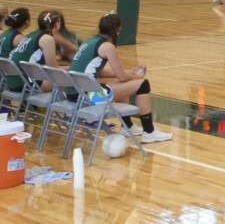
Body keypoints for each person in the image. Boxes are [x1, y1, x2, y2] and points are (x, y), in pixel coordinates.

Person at [67, 14, 174, 143]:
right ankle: (149, 132)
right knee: (143, 84)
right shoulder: (108, 47)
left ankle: (127, 126)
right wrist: (138, 76)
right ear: (118, 29)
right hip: (88, 96)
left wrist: (130, 72)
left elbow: (101, 73)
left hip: (74, 94)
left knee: (120, 84)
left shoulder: (90, 41)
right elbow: (122, 77)